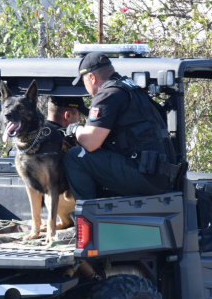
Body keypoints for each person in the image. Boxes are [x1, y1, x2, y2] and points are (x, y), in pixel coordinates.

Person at [63, 52, 179, 201]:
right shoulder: (132, 88)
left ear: (92, 78)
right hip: (164, 175)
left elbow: (91, 143)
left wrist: (75, 128)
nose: (85, 87)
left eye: (83, 81)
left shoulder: (107, 95)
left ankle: (88, 214)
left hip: (146, 175)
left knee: (75, 156)